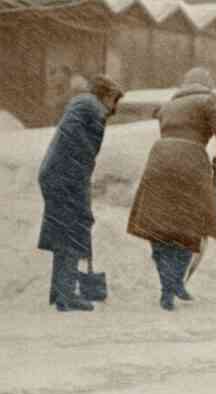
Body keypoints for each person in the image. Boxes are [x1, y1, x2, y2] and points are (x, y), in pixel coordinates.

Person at [127, 67, 216, 311]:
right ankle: (174, 282)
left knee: (158, 226)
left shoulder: (169, 105)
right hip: (191, 160)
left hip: (159, 159)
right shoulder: (210, 100)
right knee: (190, 225)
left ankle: (168, 283)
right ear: (208, 83)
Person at [38, 74, 124, 312]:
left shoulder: (81, 104)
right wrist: (81, 194)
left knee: (62, 230)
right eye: (114, 100)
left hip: (55, 173)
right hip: (67, 176)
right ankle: (66, 296)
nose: (114, 107)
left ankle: (59, 292)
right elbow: (82, 146)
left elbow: (75, 143)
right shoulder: (92, 107)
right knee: (73, 231)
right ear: (105, 94)